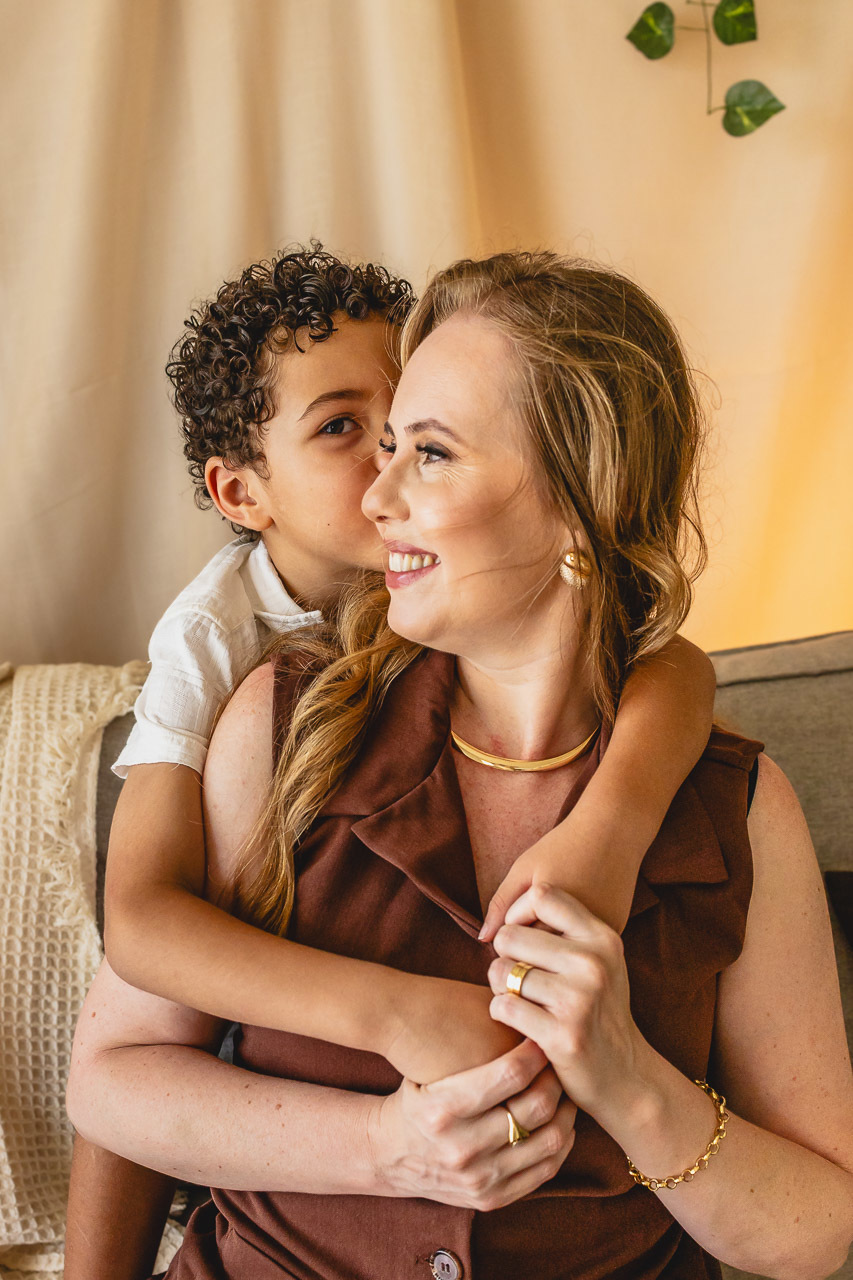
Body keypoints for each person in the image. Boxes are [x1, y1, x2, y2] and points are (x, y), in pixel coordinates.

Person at [65, 250, 816, 1278]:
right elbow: (112, 1070)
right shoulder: (273, 712)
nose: (375, 496)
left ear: (579, 494)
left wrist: (634, 1084)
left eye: (427, 450)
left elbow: (820, 1224)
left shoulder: (730, 798)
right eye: (368, 443)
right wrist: (384, 1148)